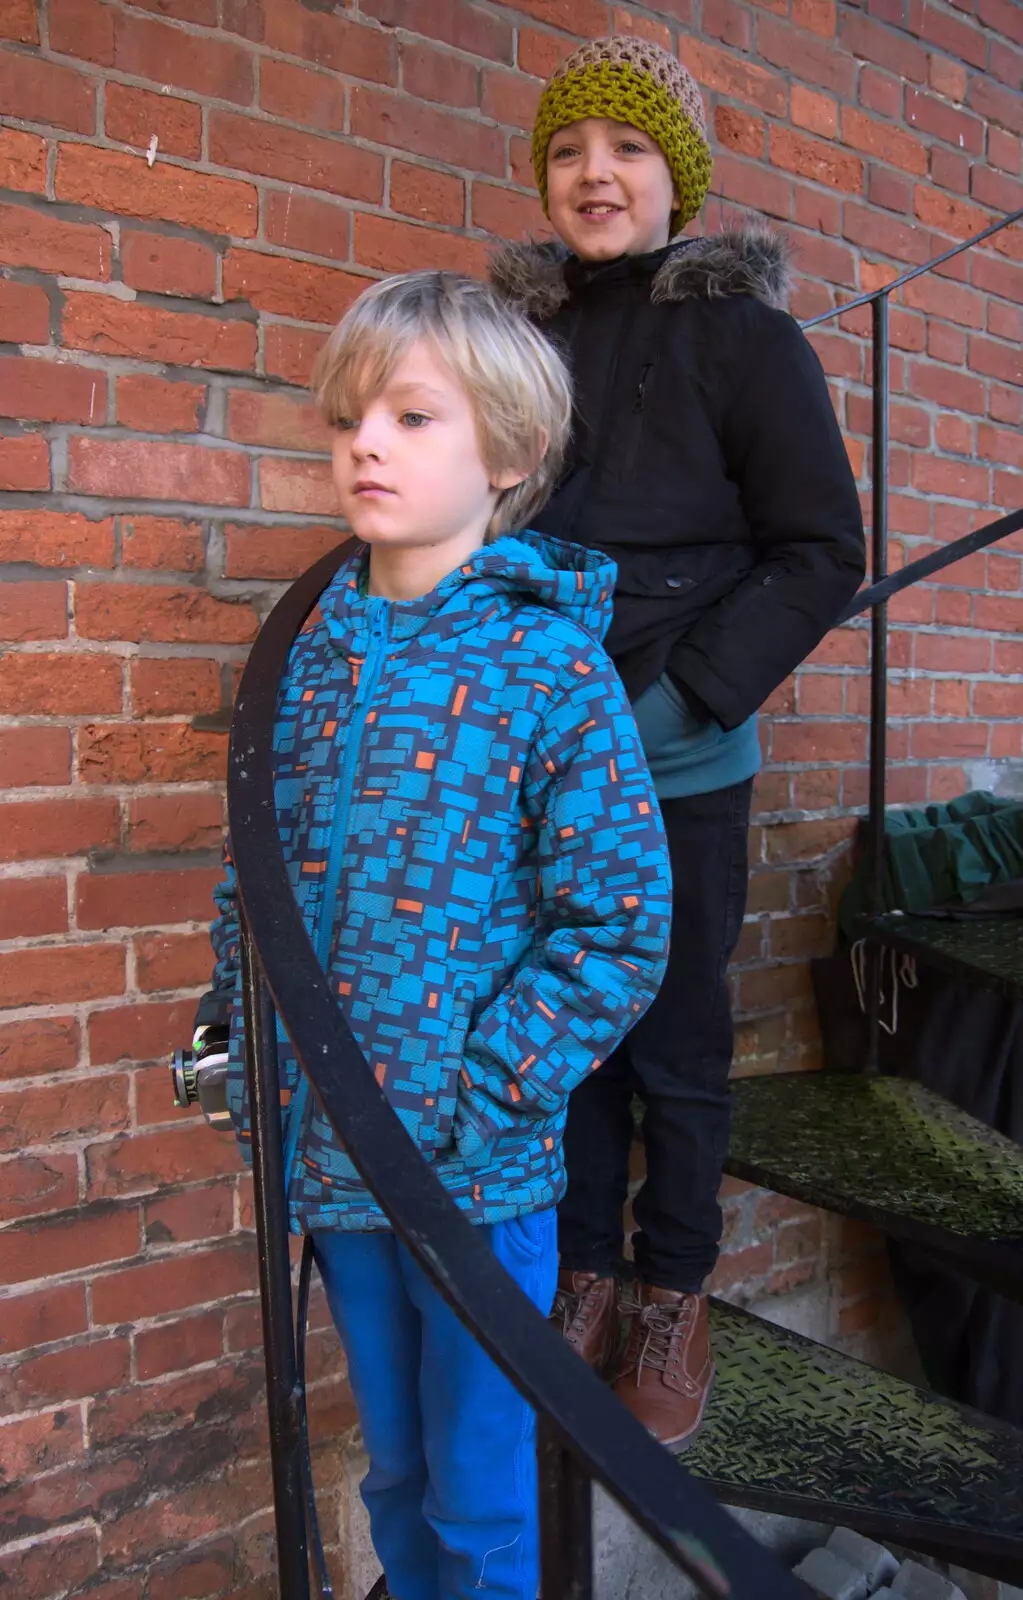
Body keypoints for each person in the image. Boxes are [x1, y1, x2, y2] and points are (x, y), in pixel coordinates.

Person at [196, 270, 672, 1600]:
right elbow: (254, 885)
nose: (365, 444)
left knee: (475, 1501)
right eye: (348, 418)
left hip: (473, 1179)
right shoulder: (298, 654)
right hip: (330, 1162)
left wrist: (478, 1092)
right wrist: (243, 1055)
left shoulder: (547, 668)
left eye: (411, 418)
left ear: (508, 455)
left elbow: (617, 927)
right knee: (392, 1473)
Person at [491, 34, 866, 1450]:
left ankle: (672, 1291)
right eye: (570, 148)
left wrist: (677, 707)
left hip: (676, 752)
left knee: (674, 1037)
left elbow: (819, 549)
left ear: (678, 180)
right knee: (562, 1027)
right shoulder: (516, 345)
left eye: (629, 148)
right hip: (533, 750)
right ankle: (582, 1270)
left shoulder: (745, 341)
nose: (596, 172)